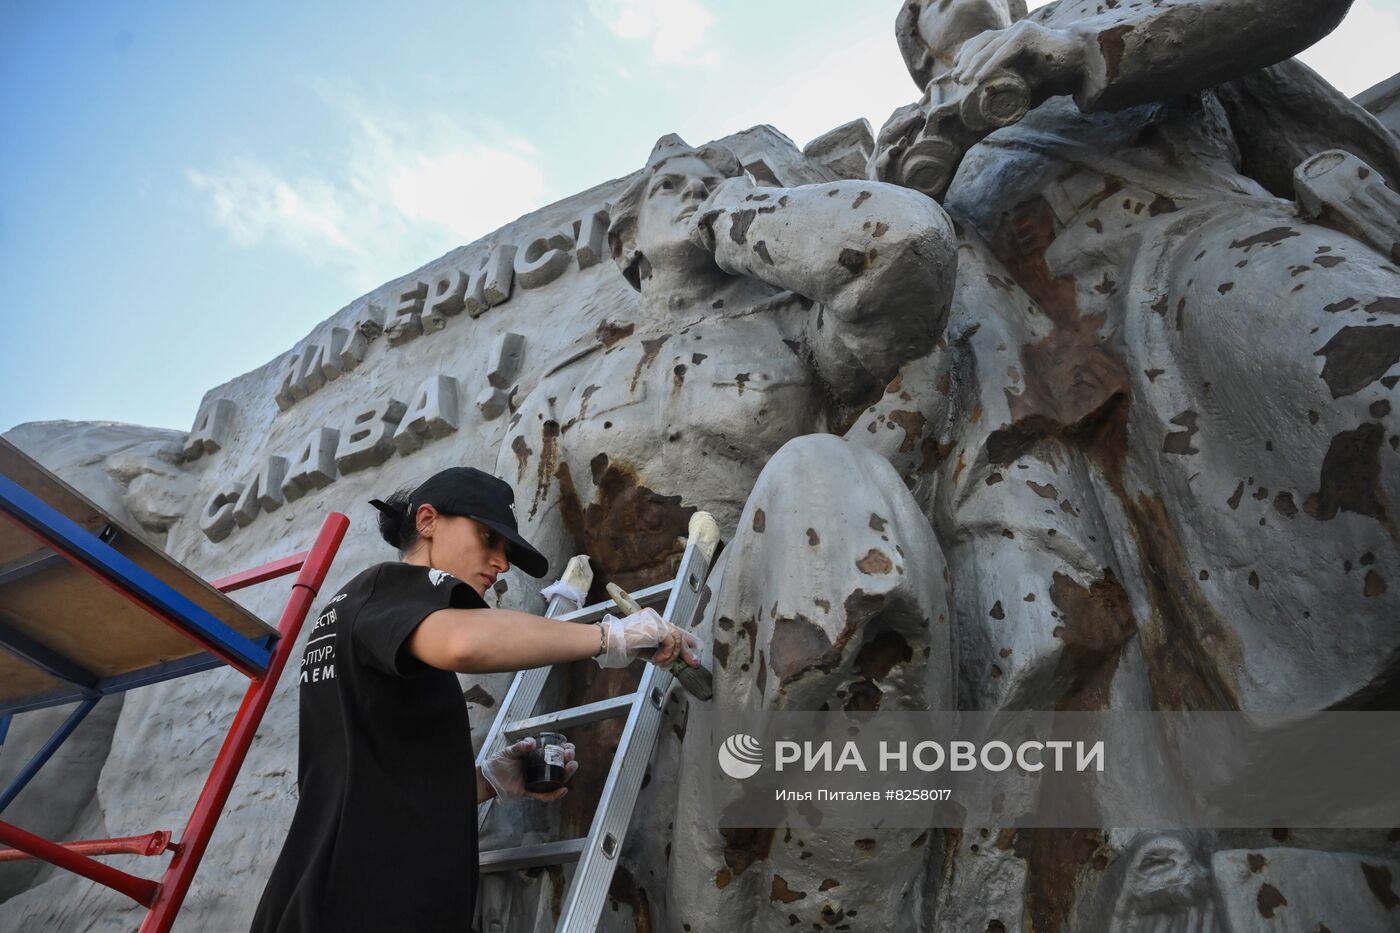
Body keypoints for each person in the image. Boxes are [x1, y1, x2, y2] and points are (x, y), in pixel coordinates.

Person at [249, 466, 698, 933]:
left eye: (506, 551)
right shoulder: (393, 585)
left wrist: (487, 782)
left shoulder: (372, 616)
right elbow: (465, 642)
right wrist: (611, 636)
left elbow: (379, 782)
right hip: (363, 903)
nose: (500, 563)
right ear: (427, 521)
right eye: (488, 539)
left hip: (342, 897)